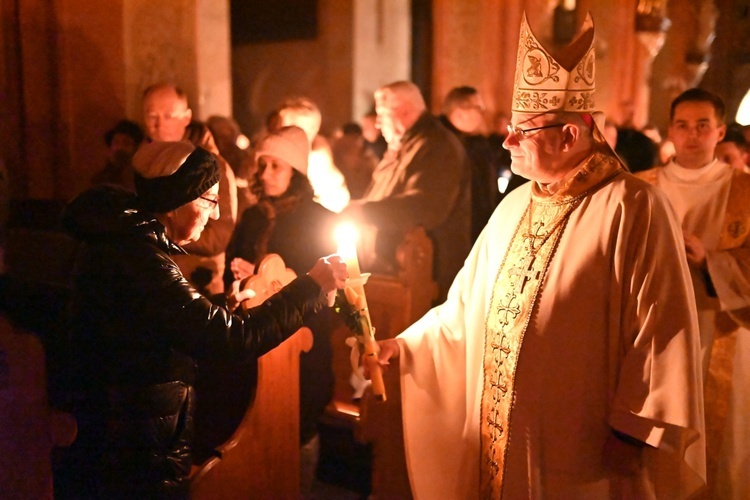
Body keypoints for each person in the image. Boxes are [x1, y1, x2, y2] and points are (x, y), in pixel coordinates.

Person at [371, 13, 705, 498]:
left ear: (570, 135)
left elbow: (661, 328)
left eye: (521, 130)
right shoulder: (514, 205)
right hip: (504, 431)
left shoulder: (633, 207)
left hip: (586, 443)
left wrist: (635, 430)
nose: (506, 140)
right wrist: (403, 346)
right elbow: (464, 307)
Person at [60, 141, 346, 498]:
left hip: (131, 430)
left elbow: (162, 317)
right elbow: (230, 340)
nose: (214, 215)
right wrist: (310, 288)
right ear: (179, 199)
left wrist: (216, 306)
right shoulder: (142, 258)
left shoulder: (127, 243)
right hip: (136, 442)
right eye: (209, 200)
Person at [636, 88, 750, 497]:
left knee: (719, 440)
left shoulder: (744, 191)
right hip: (653, 330)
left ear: (720, 132)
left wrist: (710, 261)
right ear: (670, 130)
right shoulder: (638, 187)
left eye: (703, 126)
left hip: (720, 328)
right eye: (683, 125)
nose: (692, 135)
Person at [224, 126, 339, 496]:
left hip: (303, 342)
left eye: (277, 166)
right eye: (263, 165)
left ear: (296, 172)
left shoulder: (319, 219)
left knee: (300, 421)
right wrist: (243, 279)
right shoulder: (254, 216)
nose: (267, 173)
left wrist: (276, 279)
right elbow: (232, 267)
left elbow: (330, 285)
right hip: (257, 338)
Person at [343, 81, 471, 302]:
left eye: (382, 115)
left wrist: (362, 212)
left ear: (403, 111)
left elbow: (425, 207)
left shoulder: (437, 146)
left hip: (425, 279)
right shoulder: (404, 146)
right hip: (393, 274)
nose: (378, 124)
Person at [142, 83, 237, 294]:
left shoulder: (212, 166)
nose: (158, 124)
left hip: (196, 284)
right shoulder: (140, 164)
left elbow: (219, 236)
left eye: (168, 116)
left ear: (186, 117)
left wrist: (164, 233)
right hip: (152, 279)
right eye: (152, 116)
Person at [440, 86, 496, 242]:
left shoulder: (478, 143)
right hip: (454, 233)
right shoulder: (441, 145)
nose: (482, 113)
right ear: (459, 113)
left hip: (479, 226)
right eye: (478, 107)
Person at [275, 96, 351, 213]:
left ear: (311, 131)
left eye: (292, 127)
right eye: (282, 126)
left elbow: (337, 204)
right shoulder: (268, 158)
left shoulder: (320, 167)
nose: (283, 133)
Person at [91, 119, 144, 191]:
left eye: (126, 143)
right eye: (116, 142)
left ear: (135, 149)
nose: (119, 148)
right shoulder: (100, 180)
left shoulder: (141, 178)